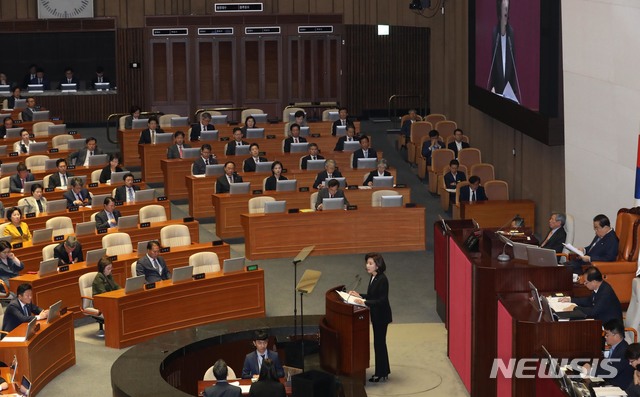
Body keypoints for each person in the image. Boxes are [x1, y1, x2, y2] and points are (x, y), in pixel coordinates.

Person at [348, 253, 392, 382]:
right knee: (379, 344)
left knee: (379, 344)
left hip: (382, 317)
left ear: (377, 266)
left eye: (370, 263)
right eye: (367, 263)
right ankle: (384, 371)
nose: (367, 265)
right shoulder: (374, 277)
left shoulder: (383, 279)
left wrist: (364, 303)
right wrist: (360, 295)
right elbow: (372, 295)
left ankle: (380, 373)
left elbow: (382, 301)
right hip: (376, 315)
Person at [581, 319, 633, 389]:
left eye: (607, 335)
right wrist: (590, 365)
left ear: (616, 336)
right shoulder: (616, 347)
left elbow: (611, 372)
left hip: (619, 387)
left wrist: (591, 370)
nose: (605, 337)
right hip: (611, 381)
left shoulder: (623, 351)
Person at [488, 0, 520, 102]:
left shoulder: (511, 33)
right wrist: (492, 87)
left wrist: (513, 93)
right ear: (499, 10)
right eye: (504, 8)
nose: (506, 11)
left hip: (509, 95)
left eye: (507, 8)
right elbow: (493, 67)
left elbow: (513, 68)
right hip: (497, 92)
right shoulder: (495, 33)